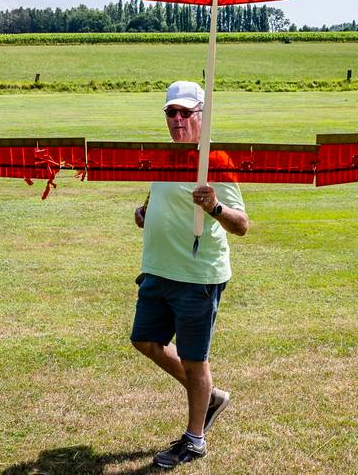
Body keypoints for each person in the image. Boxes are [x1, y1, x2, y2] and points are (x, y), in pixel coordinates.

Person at [131, 80, 249, 469]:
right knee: (146, 340)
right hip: (158, 269)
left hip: (198, 276)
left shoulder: (217, 161)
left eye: (186, 113)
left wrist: (214, 207)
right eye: (171, 112)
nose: (178, 120)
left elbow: (242, 224)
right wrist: (144, 213)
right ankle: (210, 396)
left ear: (202, 115)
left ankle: (195, 439)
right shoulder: (163, 157)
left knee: (195, 360)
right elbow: (155, 201)